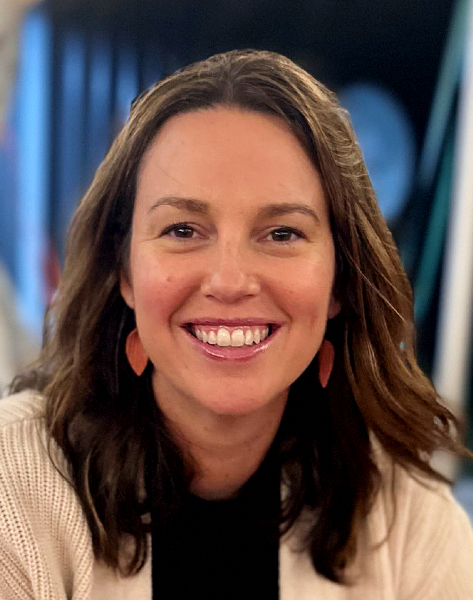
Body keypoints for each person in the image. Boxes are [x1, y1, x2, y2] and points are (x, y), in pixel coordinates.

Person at [1, 49, 473, 599]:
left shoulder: (403, 513)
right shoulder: (14, 488)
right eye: (182, 230)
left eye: (282, 233)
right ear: (124, 271)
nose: (229, 281)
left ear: (341, 281)